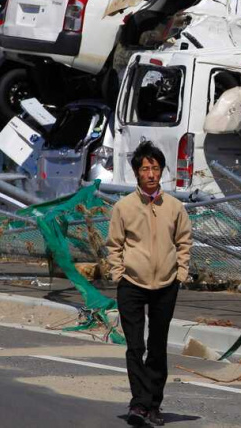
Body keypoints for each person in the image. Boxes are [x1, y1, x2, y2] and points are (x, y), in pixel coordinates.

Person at [106, 141, 192, 427]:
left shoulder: (175, 207)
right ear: (137, 174)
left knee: (157, 347)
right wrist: (118, 273)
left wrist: (180, 274)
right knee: (134, 346)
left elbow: (184, 242)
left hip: (166, 284)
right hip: (131, 283)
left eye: (155, 168)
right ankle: (138, 404)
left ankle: (153, 405)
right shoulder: (124, 207)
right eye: (145, 169)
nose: (151, 174)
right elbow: (114, 244)